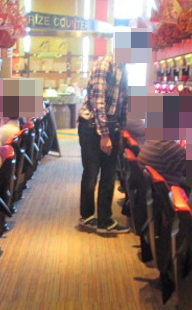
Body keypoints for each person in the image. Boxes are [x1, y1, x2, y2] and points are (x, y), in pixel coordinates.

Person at [78, 54, 129, 234]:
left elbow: (123, 103)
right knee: (91, 172)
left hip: (111, 125)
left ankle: (104, 220)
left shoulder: (123, 67)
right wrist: (104, 134)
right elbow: (98, 101)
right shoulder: (105, 64)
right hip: (92, 126)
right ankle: (88, 216)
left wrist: (120, 131)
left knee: (108, 175)